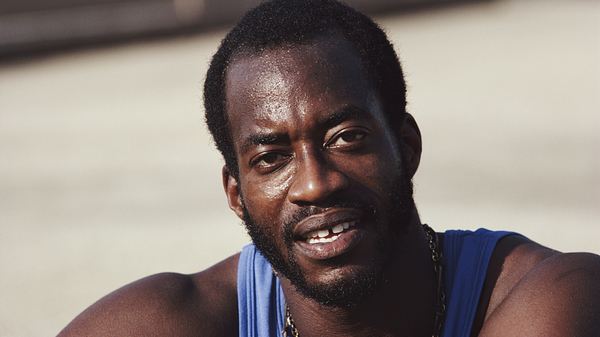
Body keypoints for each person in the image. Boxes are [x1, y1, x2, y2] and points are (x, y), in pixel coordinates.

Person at [58, 0, 600, 336]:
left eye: (347, 138)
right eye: (271, 159)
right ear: (236, 193)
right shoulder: (164, 323)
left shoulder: (552, 298)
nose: (316, 184)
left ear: (406, 146)